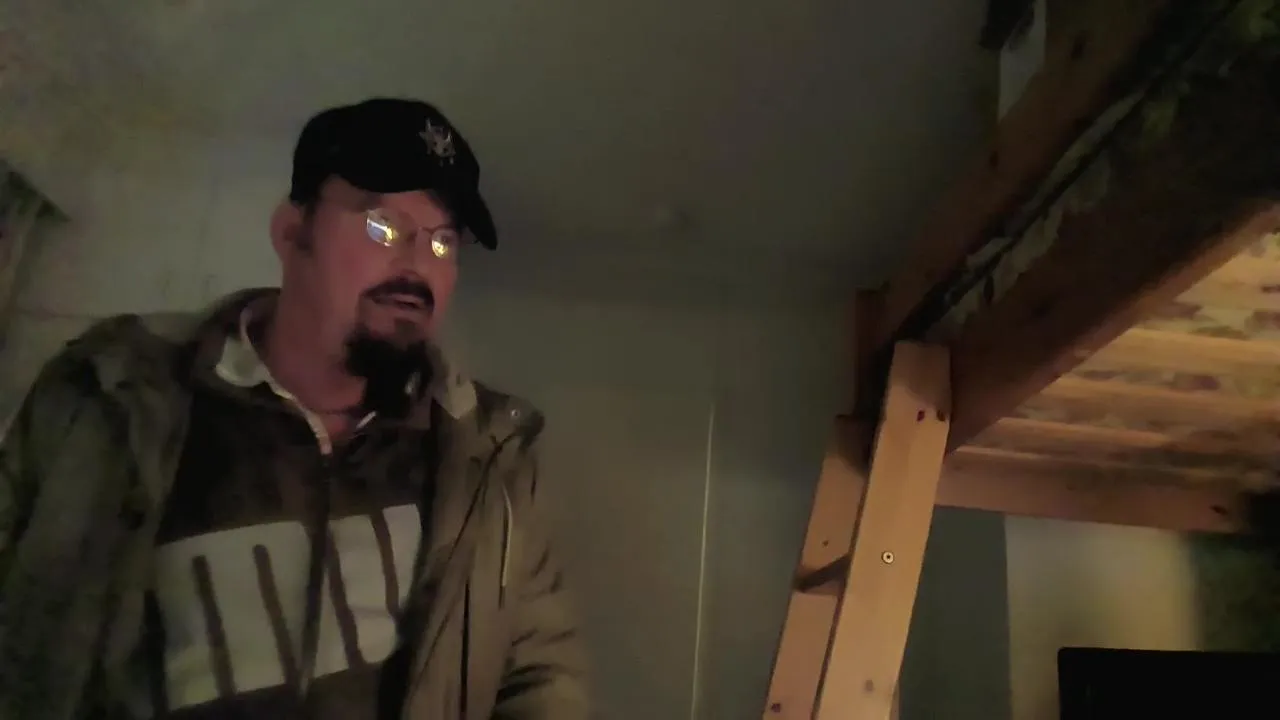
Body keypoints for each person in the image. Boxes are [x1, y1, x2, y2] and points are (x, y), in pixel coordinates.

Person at [0, 98, 588, 720]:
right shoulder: (109, 393)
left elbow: (540, 672)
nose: (419, 265)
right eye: (383, 228)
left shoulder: (490, 459)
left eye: (444, 244)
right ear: (291, 233)